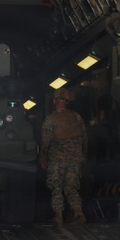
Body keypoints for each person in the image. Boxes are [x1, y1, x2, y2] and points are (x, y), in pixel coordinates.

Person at [39, 87, 88, 225]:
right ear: (67, 101)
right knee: (71, 186)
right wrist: (83, 155)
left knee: (56, 186)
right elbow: (84, 138)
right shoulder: (77, 117)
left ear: (54, 101)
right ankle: (78, 213)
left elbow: (46, 141)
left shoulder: (51, 119)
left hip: (57, 159)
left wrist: (43, 158)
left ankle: (58, 216)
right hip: (75, 158)